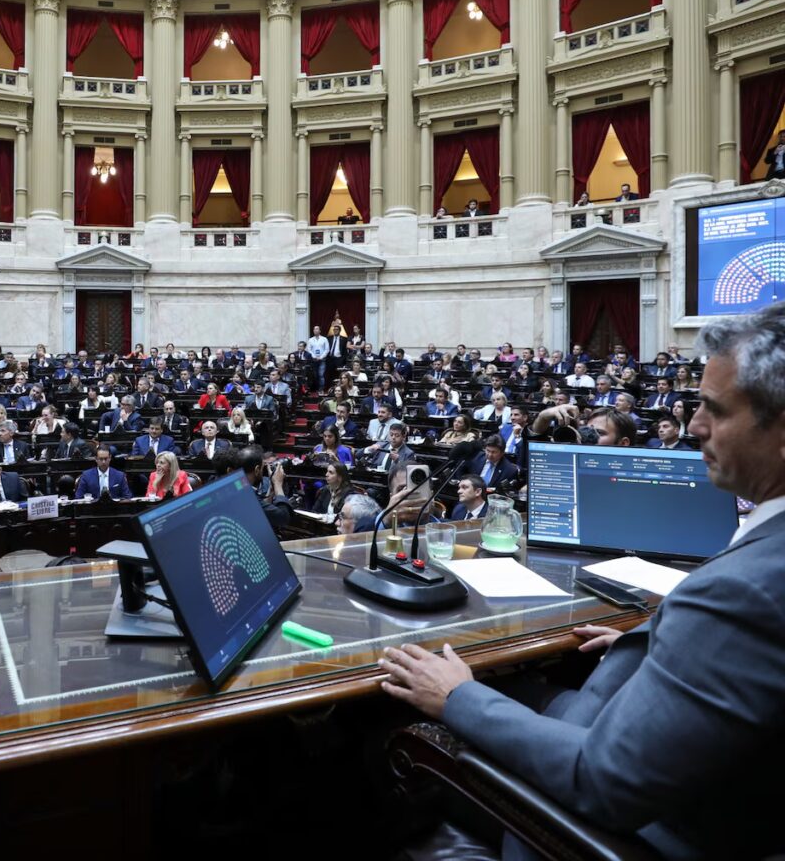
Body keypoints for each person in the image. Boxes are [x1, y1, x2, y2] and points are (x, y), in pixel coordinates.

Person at [378, 301, 785, 861]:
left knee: (384, 736)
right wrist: (673, 648)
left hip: (611, 828)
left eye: (714, 408)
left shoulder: (747, 593)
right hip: (673, 755)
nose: (695, 426)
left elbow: (601, 781)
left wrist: (456, 697)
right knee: (522, 683)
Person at [306, 325, 330, 392]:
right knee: (315, 375)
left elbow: (327, 349)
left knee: (321, 375)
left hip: (322, 360)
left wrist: (321, 357)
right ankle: (315, 389)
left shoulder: (324, 339)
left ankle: (321, 389)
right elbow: (309, 349)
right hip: (313, 360)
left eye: (317, 329)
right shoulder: (310, 340)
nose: (315, 330)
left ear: (320, 331)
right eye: (314, 329)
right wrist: (314, 356)